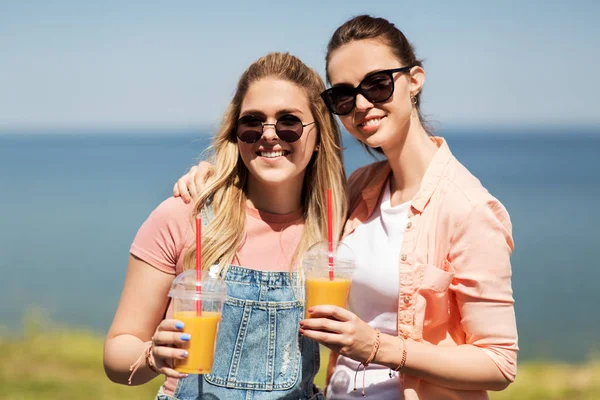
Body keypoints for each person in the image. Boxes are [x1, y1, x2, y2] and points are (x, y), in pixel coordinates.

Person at [173, 15, 518, 400]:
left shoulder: (469, 209)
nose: (362, 104)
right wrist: (217, 175)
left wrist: (376, 346)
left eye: (377, 84)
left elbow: (499, 363)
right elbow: (277, 191)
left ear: (415, 80)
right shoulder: (356, 190)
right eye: (344, 95)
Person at [103, 52, 348, 400]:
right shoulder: (184, 216)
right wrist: (152, 356)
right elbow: (117, 352)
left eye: (288, 121)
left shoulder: (338, 227)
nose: (269, 135)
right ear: (236, 133)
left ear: (319, 133)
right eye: (252, 122)